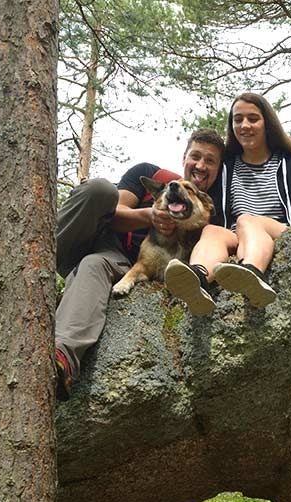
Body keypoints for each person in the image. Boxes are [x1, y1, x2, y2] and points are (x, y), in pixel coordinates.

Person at [53, 129, 226, 400]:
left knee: (93, 265)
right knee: (100, 190)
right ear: (184, 157)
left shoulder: (208, 210)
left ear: (218, 170)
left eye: (210, 161)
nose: (201, 165)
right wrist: (149, 216)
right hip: (87, 238)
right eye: (196, 156)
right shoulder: (150, 174)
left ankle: (60, 359)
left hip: (115, 263)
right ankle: (40, 251)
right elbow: (113, 213)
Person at [165, 92, 291, 313]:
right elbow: (207, 202)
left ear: (267, 123)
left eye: (253, 119)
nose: (245, 125)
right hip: (237, 235)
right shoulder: (226, 167)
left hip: (280, 231)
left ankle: (252, 271)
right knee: (212, 230)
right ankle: (197, 278)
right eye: (238, 120)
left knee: (247, 220)